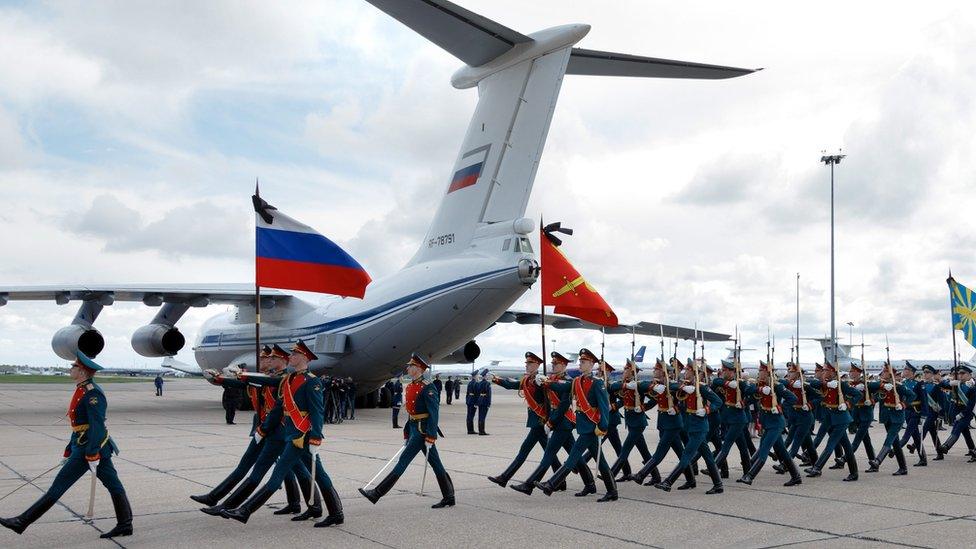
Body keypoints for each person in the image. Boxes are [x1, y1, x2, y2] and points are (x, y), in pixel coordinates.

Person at [1, 352, 131, 538]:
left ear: (83, 371)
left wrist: (92, 453)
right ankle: (125, 524)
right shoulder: (81, 389)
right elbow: (79, 426)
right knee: (113, 484)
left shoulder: (92, 394)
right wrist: (69, 449)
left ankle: (22, 522)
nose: (71, 369)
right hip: (85, 447)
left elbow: (97, 426)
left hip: (90, 449)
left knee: (57, 487)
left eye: (74, 367)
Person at [222, 340, 344, 528]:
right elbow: (279, 407)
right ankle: (335, 512)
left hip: (302, 436)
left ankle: (245, 510)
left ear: (304, 358)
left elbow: (317, 412)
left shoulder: (312, 381)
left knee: (277, 475)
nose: (291, 357)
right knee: (319, 474)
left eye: (294, 355)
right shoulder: (288, 380)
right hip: (291, 433)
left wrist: (316, 437)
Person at [193, 345, 306, 518]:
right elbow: (247, 383)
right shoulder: (268, 377)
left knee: (265, 469)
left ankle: (224, 503)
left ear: (280, 361)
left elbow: (263, 384)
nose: (264, 361)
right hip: (266, 428)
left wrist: (241, 375)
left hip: (276, 429)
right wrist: (220, 379)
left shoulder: (283, 378)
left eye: (269, 358)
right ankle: (297, 503)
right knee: (292, 469)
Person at [359, 354, 455, 509]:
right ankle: (449, 496)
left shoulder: (428, 387)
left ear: (418, 369)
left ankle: (377, 493)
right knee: (436, 463)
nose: (408, 368)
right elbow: (411, 412)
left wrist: (431, 435)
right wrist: (407, 431)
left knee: (402, 461)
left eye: (410, 366)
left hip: (422, 431)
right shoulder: (410, 385)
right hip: (414, 428)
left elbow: (433, 413)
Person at [535, 348, 618, 502]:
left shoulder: (597, 383)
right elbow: (562, 387)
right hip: (584, 426)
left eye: (584, 361)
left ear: (592, 364)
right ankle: (612, 490)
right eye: (580, 361)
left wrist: (603, 426)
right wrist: (547, 383)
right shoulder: (577, 381)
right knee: (602, 462)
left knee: (573, 457)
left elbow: (604, 406)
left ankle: (551, 484)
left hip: (592, 427)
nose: (581, 363)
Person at [508, 351, 593, 496]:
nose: (553, 366)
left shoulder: (567, 380)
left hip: (563, 422)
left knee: (548, 454)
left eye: (556, 364)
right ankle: (590, 483)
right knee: (576, 456)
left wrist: (551, 423)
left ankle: (529, 485)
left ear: (564, 365)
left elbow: (563, 405)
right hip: (557, 422)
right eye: (552, 363)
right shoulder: (551, 378)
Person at [487, 352, 562, 487]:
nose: (526, 365)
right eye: (526, 363)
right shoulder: (527, 380)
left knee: (525, 449)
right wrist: (496, 379)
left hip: (540, 421)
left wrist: (549, 420)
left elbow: (548, 401)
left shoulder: (541, 380)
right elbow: (512, 385)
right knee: (549, 452)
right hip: (536, 420)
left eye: (529, 363)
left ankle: (505, 477)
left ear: (537, 365)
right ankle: (561, 481)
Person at [654, 359, 723, 494]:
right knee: (708, 457)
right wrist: (677, 404)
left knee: (686, 455)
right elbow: (675, 392)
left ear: (694, 372)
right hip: (691, 426)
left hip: (700, 427)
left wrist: (707, 410)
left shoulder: (701, 387)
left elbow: (718, 401)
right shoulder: (687, 386)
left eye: (688, 371)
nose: (685, 373)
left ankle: (668, 482)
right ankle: (718, 484)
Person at [737, 362, 802, 487]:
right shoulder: (760, 385)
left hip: (776, 422)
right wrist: (759, 390)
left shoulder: (776, 386)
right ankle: (796, 476)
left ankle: (750, 476)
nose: (759, 373)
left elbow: (793, 398)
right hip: (767, 422)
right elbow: (748, 390)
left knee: (764, 449)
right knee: (782, 452)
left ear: (767, 373)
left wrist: (779, 407)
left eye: (761, 371)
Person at [631, 358, 692, 487]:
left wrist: (676, 408)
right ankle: (691, 480)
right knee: (680, 452)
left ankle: (641, 474)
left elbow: (686, 401)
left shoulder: (674, 385)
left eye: (656, 369)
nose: (654, 371)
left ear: (664, 372)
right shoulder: (657, 386)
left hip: (673, 424)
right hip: (663, 423)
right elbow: (647, 393)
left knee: (660, 451)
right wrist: (643, 407)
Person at [805, 362, 863, 481]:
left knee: (830, 443)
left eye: (826, 370)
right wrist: (823, 383)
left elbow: (858, 394)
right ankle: (854, 473)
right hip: (830, 418)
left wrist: (847, 404)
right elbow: (813, 383)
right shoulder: (825, 384)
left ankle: (817, 467)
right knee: (847, 447)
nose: (823, 372)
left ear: (832, 372)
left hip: (841, 418)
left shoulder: (841, 385)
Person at [607, 359, 654, 482]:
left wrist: (644, 407)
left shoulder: (639, 385)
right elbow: (612, 387)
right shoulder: (625, 384)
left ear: (632, 372)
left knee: (625, 449)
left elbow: (655, 398)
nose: (623, 371)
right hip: (631, 421)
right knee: (644, 451)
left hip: (638, 422)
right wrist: (626, 385)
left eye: (626, 369)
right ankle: (656, 476)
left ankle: (611, 475)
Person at [711, 359, 756, 480]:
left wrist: (744, 402)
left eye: (725, 370)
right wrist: (727, 384)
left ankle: (714, 467)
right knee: (742, 447)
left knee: (727, 444)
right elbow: (715, 382)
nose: (723, 372)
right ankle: (747, 473)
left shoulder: (740, 383)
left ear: (732, 372)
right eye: (722, 370)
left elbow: (753, 392)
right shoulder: (722, 381)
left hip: (738, 419)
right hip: (728, 419)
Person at [865, 365, 913, 475]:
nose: (883, 373)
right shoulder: (881, 386)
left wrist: (903, 404)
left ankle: (878, 460)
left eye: (885, 372)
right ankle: (903, 468)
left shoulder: (898, 386)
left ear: (890, 374)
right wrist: (872, 400)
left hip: (897, 418)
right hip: (886, 417)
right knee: (895, 443)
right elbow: (875, 392)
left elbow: (912, 395)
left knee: (889, 438)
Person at [477, 371, 492, 435]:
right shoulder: (487, 383)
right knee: (483, 416)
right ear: (485, 376)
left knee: (480, 416)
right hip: (485, 401)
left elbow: (477, 392)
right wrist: (489, 403)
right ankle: (482, 431)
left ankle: (480, 430)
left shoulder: (479, 383)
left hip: (480, 400)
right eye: (487, 376)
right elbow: (489, 394)